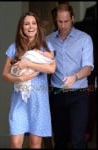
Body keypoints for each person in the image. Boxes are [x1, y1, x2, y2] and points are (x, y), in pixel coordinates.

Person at [2, 11, 56, 149]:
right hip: (19, 100)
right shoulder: (13, 47)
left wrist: (27, 64)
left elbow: (51, 69)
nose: (30, 26)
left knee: (35, 143)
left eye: (33, 23)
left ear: (37, 26)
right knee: (15, 143)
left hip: (39, 100)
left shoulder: (46, 47)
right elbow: (5, 74)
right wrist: (20, 77)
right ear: (22, 28)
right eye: (27, 24)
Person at [46, 3, 94, 149]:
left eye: (66, 21)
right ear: (56, 20)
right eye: (60, 21)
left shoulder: (84, 39)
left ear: (72, 18)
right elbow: (43, 66)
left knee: (77, 139)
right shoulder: (48, 40)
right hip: (57, 94)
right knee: (60, 139)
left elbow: (88, 68)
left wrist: (75, 77)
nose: (63, 25)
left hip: (79, 95)